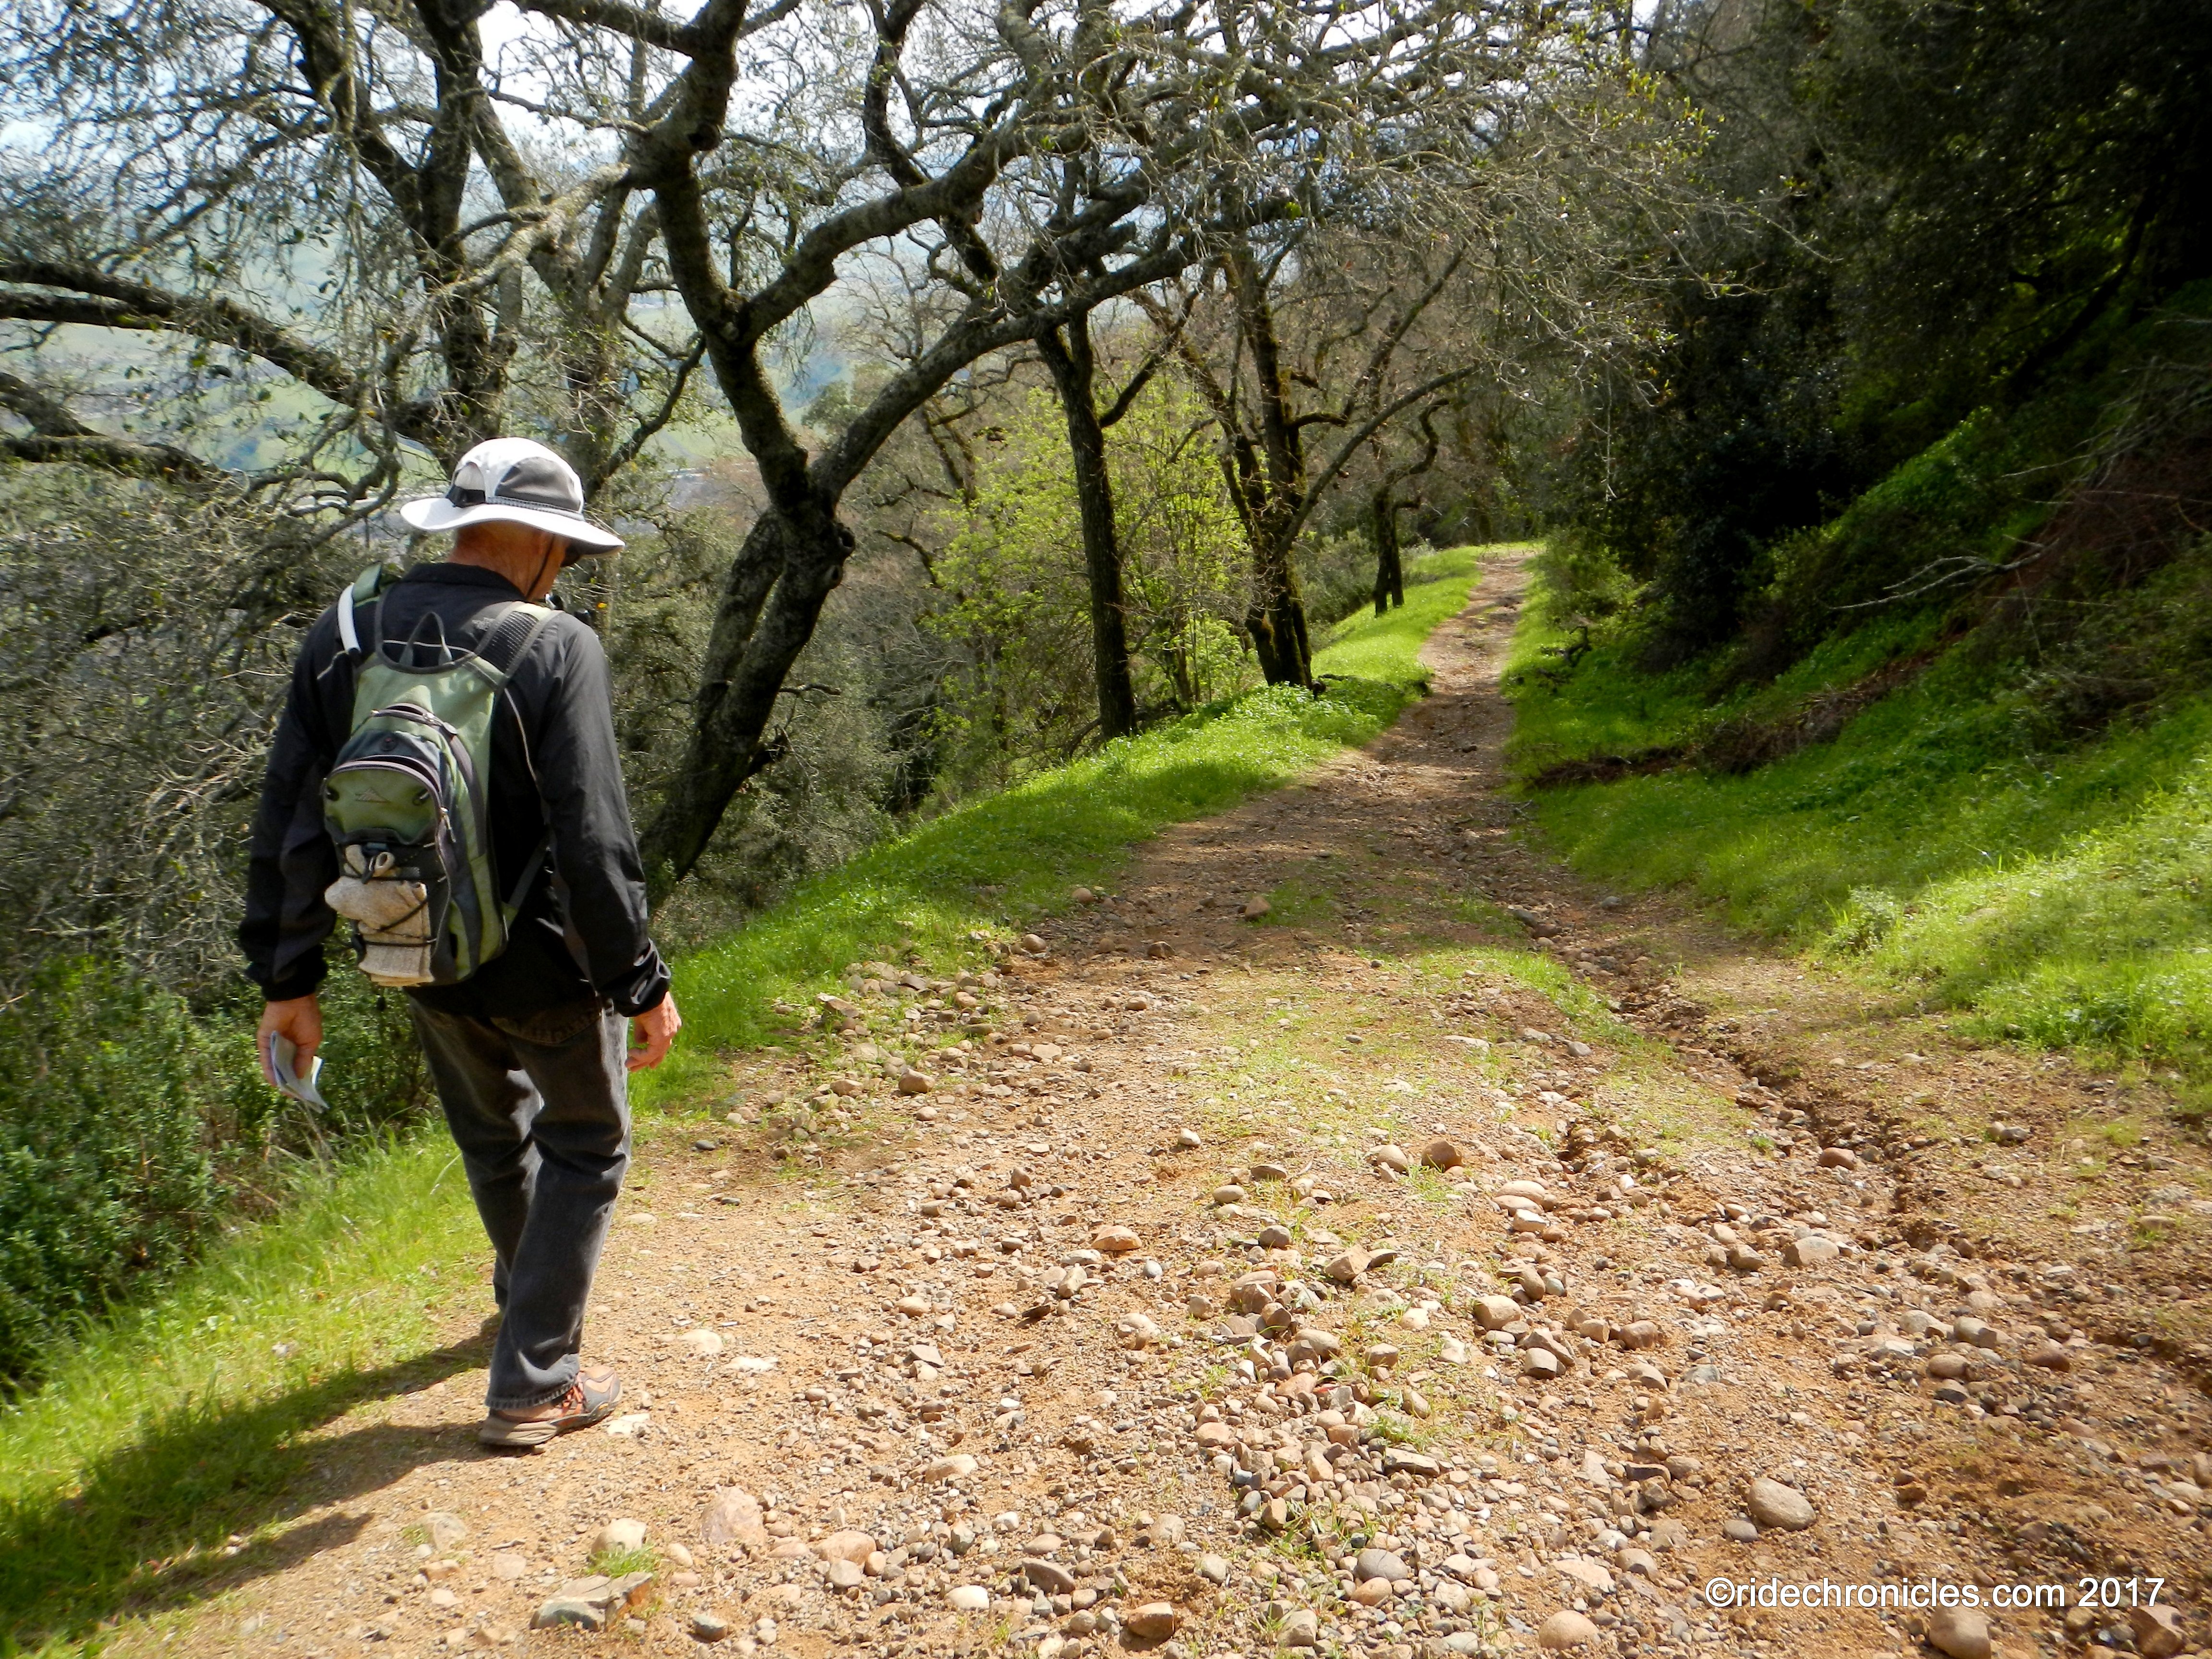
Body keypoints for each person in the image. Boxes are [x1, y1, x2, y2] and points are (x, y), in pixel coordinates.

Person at [240, 437, 680, 1448]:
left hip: (416, 948)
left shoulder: (346, 634)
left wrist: (287, 979)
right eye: (565, 552)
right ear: (535, 542)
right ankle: (535, 1382)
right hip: (547, 964)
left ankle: (526, 1304)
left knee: (495, 1137)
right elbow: (595, 836)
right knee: (587, 1144)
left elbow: (290, 822)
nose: (565, 571)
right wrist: (639, 981)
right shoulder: (555, 646)